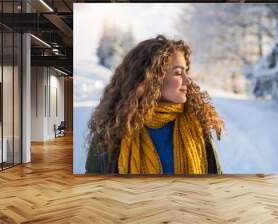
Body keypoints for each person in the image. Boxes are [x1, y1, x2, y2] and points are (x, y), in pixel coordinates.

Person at [85, 35, 224, 174]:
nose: (187, 81)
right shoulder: (111, 131)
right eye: (177, 73)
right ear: (152, 78)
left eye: (186, 72)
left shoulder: (197, 125)